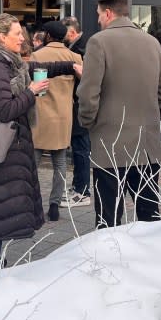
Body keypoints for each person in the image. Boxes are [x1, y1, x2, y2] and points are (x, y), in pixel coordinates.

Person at [0, 13, 80, 273]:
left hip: (9, 149)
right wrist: (33, 92)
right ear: (2, 37)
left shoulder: (10, 62)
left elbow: (35, 68)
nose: (23, 38)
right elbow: (5, 110)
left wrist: (69, 67)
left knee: (2, 211)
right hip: (2, 149)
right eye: (18, 34)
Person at [77, 0, 161, 229]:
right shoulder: (152, 42)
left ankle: (110, 265)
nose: (98, 20)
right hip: (147, 146)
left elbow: (88, 94)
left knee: (108, 219)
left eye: (98, 14)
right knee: (149, 217)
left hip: (110, 145)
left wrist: (88, 122)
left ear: (108, 13)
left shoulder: (98, 42)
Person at [30, 21, 83, 221]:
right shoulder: (75, 57)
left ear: (48, 36)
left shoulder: (38, 55)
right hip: (64, 114)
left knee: (33, 162)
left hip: (41, 114)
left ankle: (33, 203)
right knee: (59, 162)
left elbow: (36, 86)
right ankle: (55, 204)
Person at [61, 16, 92, 206]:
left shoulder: (82, 48)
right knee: (79, 147)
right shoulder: (79, 47)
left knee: (81, 148)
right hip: (77, 105)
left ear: (72, 32)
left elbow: (88, 77)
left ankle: (82, 191)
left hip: (80, 106)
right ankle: (78, 187)